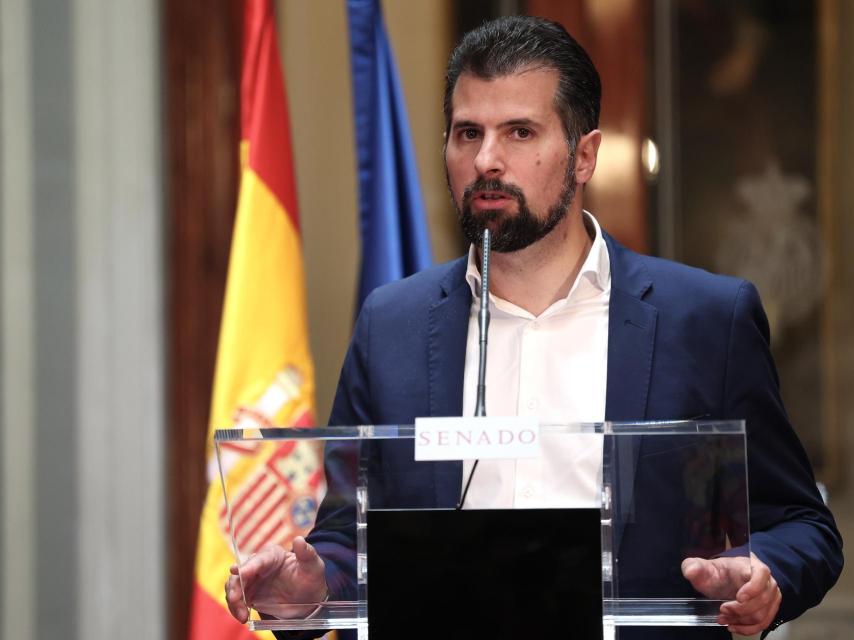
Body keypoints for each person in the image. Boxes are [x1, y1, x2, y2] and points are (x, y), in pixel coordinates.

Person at [226, 16, 843, 637]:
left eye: (519, 132)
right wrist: (306, 593)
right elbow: (345, 539)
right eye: (468, 133)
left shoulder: (707, 319)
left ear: (585, 155)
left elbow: (801, 521)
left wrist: (766, 573)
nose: (487, 161)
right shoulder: (393, 325)